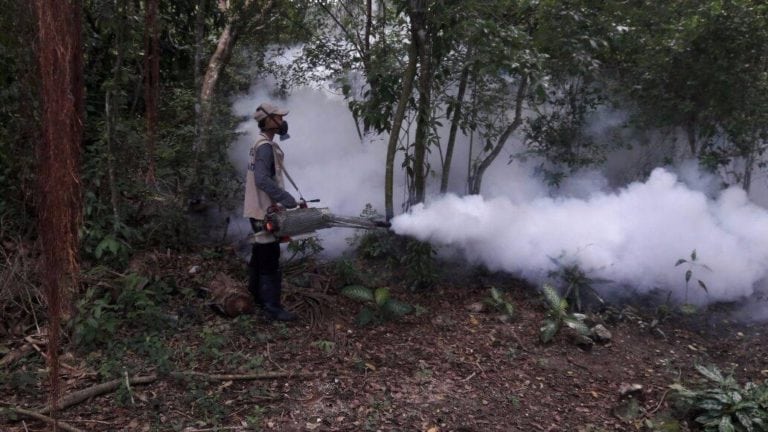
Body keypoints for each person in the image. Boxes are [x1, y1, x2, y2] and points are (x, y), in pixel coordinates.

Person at [243, 102, 298, 321]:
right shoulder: (264, 146)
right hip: (263, 211)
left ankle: (256, 297)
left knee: (260, 253)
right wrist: (286, 198)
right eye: (279, 117)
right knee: (270, 257)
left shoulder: (260, 143)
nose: (283, 121)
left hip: (257, 208)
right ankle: (272, 308)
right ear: (269, 121)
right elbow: (262, 179)